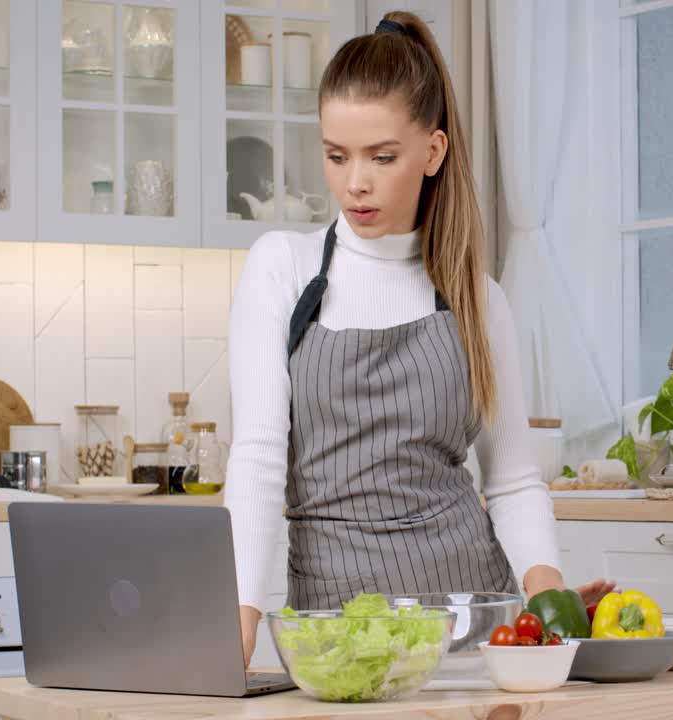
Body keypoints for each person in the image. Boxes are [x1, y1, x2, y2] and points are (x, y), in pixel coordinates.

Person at [224, 11, 613, 664]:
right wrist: (235, 623)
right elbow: (258, 459)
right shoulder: (282, 267)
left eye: (382, 157)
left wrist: (550, 602)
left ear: (433, 152)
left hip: (475, 628)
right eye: (336, 155)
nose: (356, 182)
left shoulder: (476, 298)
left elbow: (514, 481)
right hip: (335, 640)